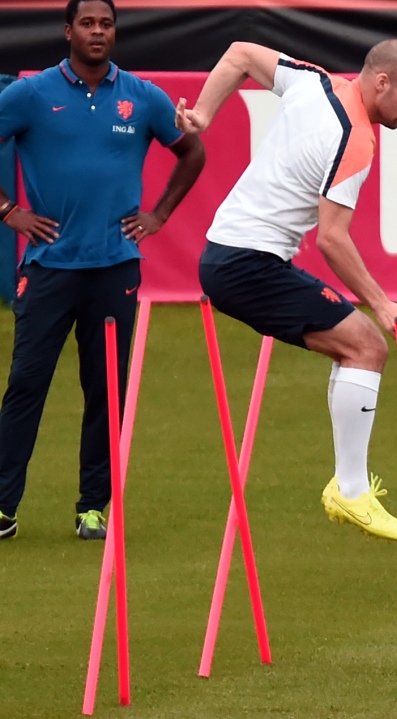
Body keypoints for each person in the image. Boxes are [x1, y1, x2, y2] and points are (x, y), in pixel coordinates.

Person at [174, 40, 397, 542]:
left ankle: (349, 486)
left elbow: (239, 54)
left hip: (229, 254)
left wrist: (204, 113)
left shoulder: (315, 81)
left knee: (355, 350)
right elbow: (332, 238)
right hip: (247, 265)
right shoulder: (355, 140)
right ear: (382, 82)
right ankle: (351, 490)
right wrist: (381, 303)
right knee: (368, 345)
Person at [0, 0, 205, 540]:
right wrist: (9, 211)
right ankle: (2, 507)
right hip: (48, 267)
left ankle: (93, 507)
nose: (97, 32)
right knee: (26, 385)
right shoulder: (31, 93)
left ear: (115, 32)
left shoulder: (142, 98)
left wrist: (158, 214)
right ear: (68, 30)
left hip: (115, 269)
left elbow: (192, 152)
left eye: (106, 24)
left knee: (105, 390)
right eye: (87, 23)